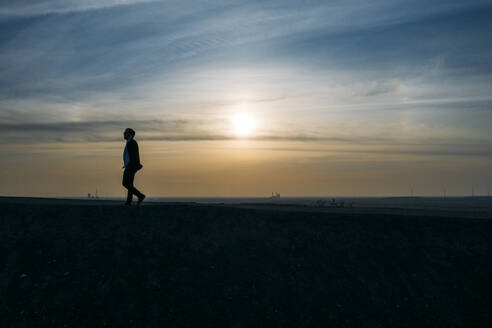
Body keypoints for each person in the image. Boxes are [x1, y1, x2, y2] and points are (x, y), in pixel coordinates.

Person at [122, 128, 145, 205]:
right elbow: (129, 156)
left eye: (126, 132)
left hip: (131, 167)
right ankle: (129, 201)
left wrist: (130, 166)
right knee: (129, 184)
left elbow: (135, 156)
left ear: (130, 134)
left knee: (125, 183)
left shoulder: (132, 143)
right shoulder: (129, 142)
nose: (124, 134)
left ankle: (140, 195)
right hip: (130, 166)